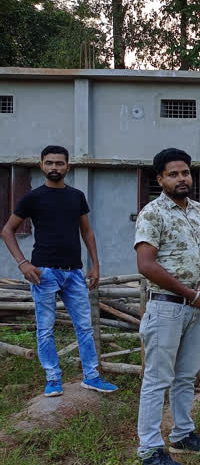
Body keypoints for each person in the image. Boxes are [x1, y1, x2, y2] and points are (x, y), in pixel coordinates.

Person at [1, 145, 118, 397]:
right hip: (43, 272)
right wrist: (23, 263)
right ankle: (53, 378)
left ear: (68, 166)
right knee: (46, 327)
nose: (55, 167)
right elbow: (7, 230)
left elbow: (86, 231)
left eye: (60, 163)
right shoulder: (33, 197)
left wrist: (95, 265)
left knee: (84, 327)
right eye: (50, 163)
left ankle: (92, 376)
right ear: (41, 165)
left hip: (74, 272)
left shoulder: (76, 196)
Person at [134, 148, 200, 465]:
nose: (182, 178)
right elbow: (146, 264)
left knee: (186, 376)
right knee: (157, 379)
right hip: (167, 307)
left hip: (196, 308)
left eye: (186, 173)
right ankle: (150, 448)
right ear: (160, 179)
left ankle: (183, 433)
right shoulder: (152, 214)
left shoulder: (199, 211)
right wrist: (190, 293)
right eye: (174, 174)